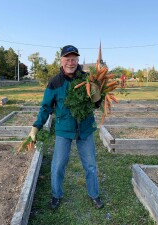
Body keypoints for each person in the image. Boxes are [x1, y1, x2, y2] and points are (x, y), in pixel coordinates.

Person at [28, 45, 104, 210]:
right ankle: (56, 195)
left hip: (85, 128)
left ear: (77, 60)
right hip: (64, 129)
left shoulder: (87, 79)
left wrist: (97, 96)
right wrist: (36, 127)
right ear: (61, 60)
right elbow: (46, 107)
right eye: (67, 59)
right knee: (58, 165)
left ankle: (94, 194)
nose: (71, 62)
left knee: (90, 165)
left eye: (74, 59)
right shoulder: (54, 82)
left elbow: (96, 104)